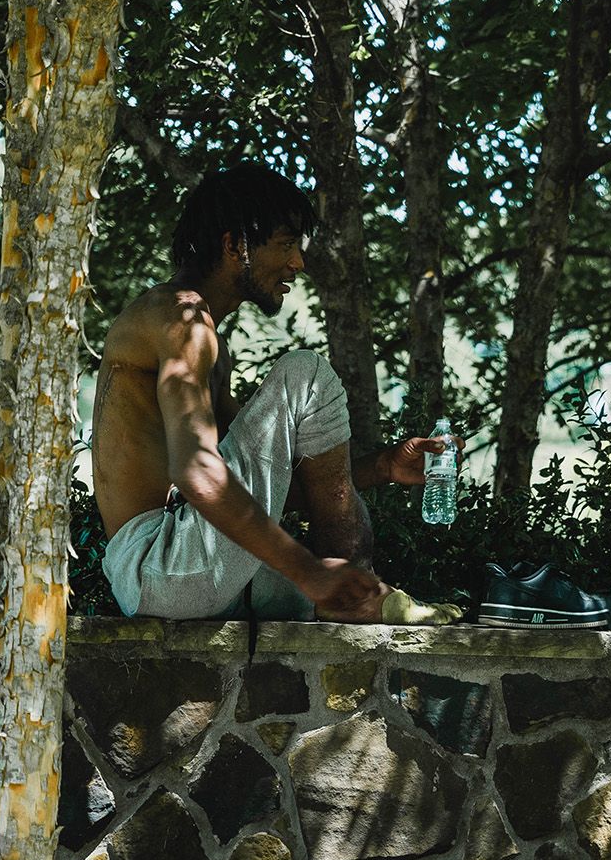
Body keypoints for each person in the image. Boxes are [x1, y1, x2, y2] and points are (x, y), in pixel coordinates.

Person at [92, 163, 459, 625]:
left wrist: (384, 466)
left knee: (342, 590)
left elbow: (249, 493)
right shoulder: (182, 321)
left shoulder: (203, 337)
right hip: (160, 564)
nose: (298, 263)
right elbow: (198, 475)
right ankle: (351, 593)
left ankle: (353, 598)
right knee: (305, 373)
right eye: (286, 244)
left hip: (186, 567)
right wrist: (308, 570)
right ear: (234, 245)